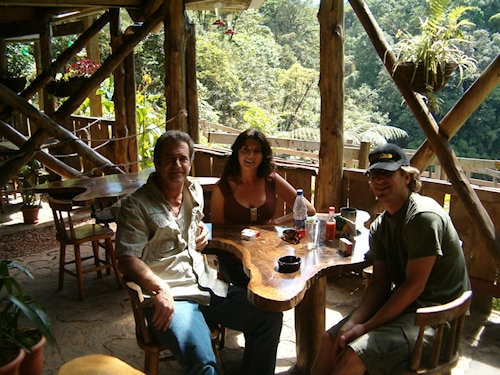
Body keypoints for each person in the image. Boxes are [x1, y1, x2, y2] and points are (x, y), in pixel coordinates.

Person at [115, 130, 282, 375]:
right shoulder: (135, 206)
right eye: (170, 159)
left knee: (268, 317)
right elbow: (127, 258)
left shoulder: (193, 191)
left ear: (190, 162)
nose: (177, 165)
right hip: (172, 297)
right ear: (157, 162)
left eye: (183, 159)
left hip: (206, 286)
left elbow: (196, 221)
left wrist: (202, 228)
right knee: (205, 365)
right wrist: (160, 288)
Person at [311, 143, 470, 375]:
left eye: (386, 174)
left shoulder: (423, 217)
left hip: (435, 320)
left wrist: (367, 327)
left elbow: (414, 285)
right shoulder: (380, 227)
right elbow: (379, 284)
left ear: (406, 177)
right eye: (374, 174)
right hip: (404, 311)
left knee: (355, 354)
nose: (378, 181)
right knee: (330, 340)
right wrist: (354, 323)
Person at [210, 128, 315, 286]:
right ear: (237, 152)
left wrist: (275, 223)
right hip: (232, 257)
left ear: (263, 155)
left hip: (266, 252)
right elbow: (217, 232)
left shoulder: (270, 180)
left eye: (256, 151)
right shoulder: (223, 187)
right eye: (245, 150)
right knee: (253, 287)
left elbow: (309, 209)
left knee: (290, 279)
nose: (250, 156)